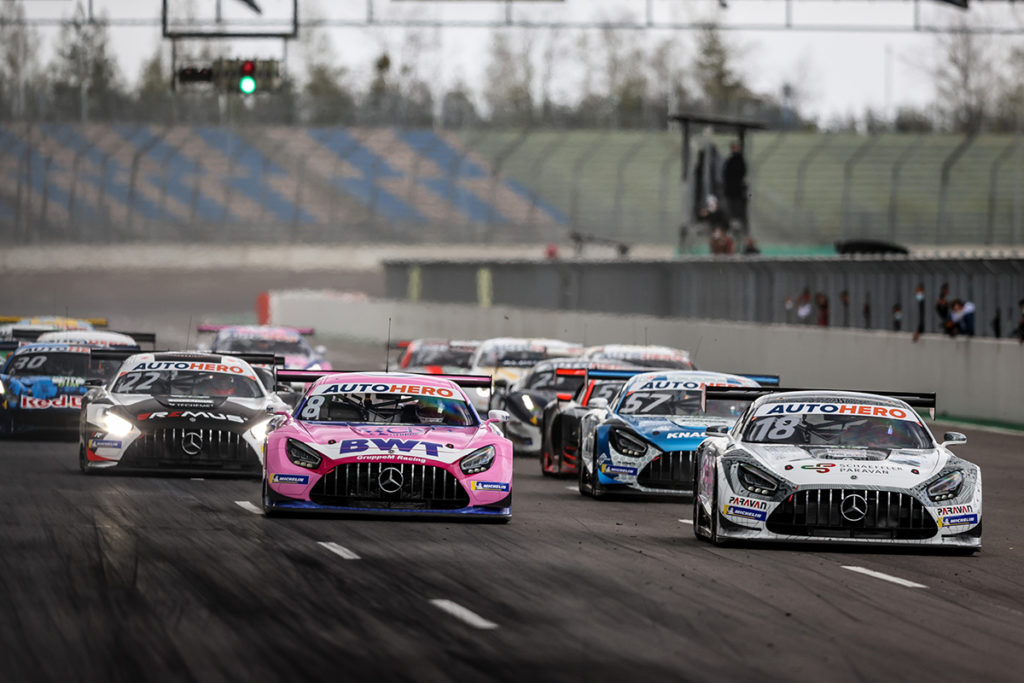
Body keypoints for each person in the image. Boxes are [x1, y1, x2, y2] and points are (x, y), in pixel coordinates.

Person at [722, 140, 748, 233]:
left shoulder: (738, 160)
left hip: (736, 191)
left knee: (736, 209)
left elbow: (741, 173)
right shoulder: (732, 160)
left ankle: (736, 223)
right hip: (732, 190)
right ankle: (733, 223)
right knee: (731, 208)